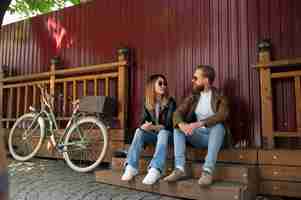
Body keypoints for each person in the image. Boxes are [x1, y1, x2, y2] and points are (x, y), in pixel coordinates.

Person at [164, 65, 229, 186]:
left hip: (215, 137)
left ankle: (207, 171)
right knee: (178, 128)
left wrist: (199, 123)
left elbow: (222, 115)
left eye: (195, 78)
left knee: (218, 127)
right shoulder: (193, 96)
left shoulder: (220, 96)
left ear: (206, 80)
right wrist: (182, 124)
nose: (192, 80)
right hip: (199, 137)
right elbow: (177, 113)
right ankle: (179, 169)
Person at [121, 74, 176, 185]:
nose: (163, 86)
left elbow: (169, 125)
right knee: (138, 131)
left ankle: (156, 169)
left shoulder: (170, 103)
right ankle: (131, 166)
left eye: (165, 84)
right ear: (152, 86)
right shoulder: (147, 103)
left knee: (163, 133)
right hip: (154, 135)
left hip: (168, 136)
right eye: (160, 83)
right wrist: (144, 127)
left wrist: (152, 127)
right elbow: (143, 122)